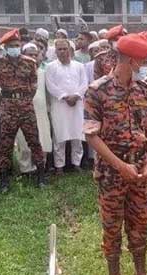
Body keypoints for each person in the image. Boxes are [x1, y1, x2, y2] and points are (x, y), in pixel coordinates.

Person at [83, 34, 147, 275]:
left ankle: (141, 274)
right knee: (112, 225)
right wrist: (120, 165)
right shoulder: (97, 91)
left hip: (138, 169)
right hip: (111, 171)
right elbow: (92, 136)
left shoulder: (143, 89)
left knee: (140, 222)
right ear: (129, 60)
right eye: (143, 61)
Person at [0, 30, 46, 192]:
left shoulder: (29, 62)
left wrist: (24, 100)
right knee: (6, 145)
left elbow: (34, 87)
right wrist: (5, 103)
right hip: (8, 107)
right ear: (5, 47)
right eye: (11, 46)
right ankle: (4, 180)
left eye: (17, 45)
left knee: (34, 141)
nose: (15, 48)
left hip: (26, 106)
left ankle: (41, 176)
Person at [46, 39, 89, 175]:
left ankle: (77, 163)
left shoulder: (79, 66)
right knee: (60, 135)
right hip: (59, 105)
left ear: (70, 50)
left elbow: (84, 84)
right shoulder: (51, 67)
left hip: (76, 105)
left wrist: (76, 96)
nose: (63, 52)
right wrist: (65, 96)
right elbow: (50, 86)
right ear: (56, 51)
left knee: (78, 135)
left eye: (65, 49)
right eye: (59, 49)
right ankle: (59, 166)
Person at [16, 43, 52, 175]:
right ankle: (26, 170)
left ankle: (41, 168)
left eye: (35, 55)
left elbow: (48, 93)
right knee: (24, 143)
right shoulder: (15, 73)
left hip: (41, 112)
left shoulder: (43, 73)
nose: (32, 57)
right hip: (23, 112)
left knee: (43, 140)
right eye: (29, 54)